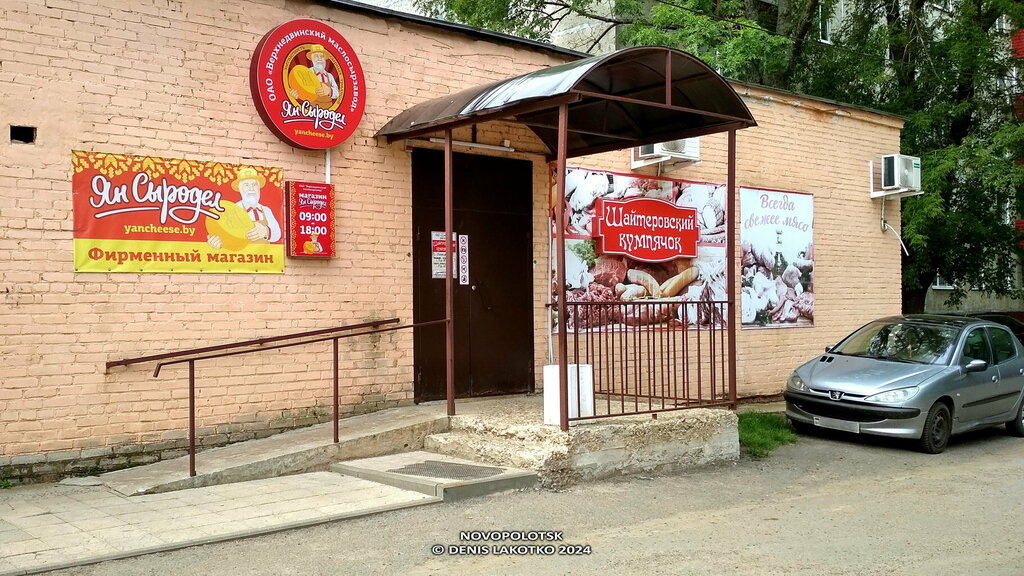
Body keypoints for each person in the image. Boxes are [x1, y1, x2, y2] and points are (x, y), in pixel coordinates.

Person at [207, 167, 281, 249]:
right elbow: (226, 234)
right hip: (241, 258)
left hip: (265, 258)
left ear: (259, 188)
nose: (251, 188)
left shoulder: (266, 210)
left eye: (254, 184)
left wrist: (265, 231)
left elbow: (277, 234)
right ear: (240, 188)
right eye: (246, 185)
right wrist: (218, 242)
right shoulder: (233, 209)